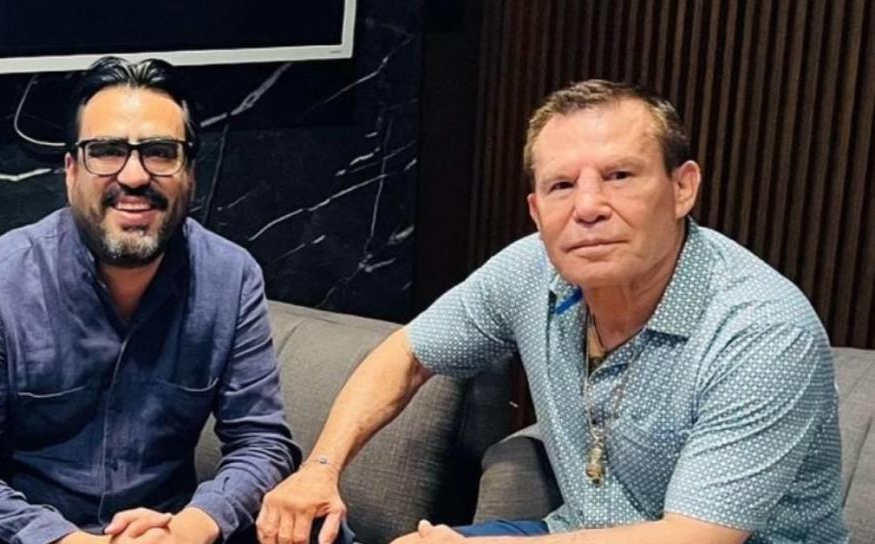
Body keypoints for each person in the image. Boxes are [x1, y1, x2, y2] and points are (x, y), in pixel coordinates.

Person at [257, 80, 848, 544]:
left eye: (620, 176)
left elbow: (695, 536)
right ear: (537, 210)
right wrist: (321, 468)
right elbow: (407, 355)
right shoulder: (530, 269)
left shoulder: (762, 331)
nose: (588, 206)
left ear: (683, 188)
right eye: (562, 186)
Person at [0, 56, 300, 544]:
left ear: (190, 173)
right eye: (106, 151)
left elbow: (261, 444)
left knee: (312, 529)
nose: (135, 176)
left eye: (160, 152)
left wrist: (192, 527)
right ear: (71, 171)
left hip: (170, 528)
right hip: (31, 535)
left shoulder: (231, 277)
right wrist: (66, 540)